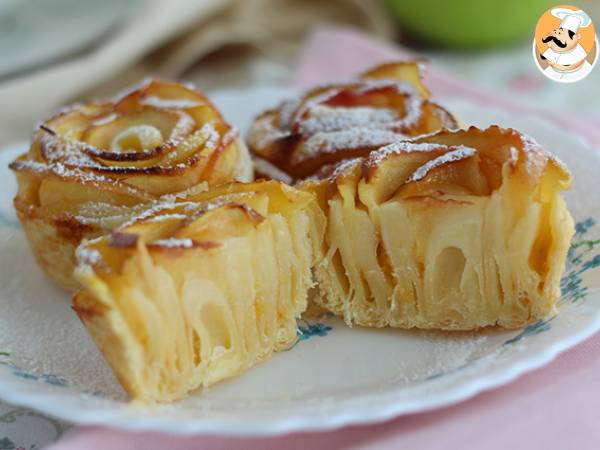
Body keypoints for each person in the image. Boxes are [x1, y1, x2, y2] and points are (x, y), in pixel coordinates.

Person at [540, 8, 594, 82]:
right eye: (557, 32)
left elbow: (575, 64)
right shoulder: (553, 47)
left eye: (560, 34)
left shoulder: (579, 52)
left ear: (576, 37)